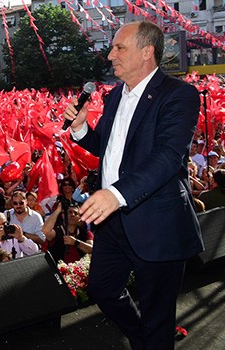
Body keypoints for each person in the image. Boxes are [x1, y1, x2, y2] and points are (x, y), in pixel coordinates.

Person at [63, 21, 203, 349]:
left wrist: (115, 193)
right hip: (114, 223)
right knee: (103, 289)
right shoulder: (113, 98)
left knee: (158, 314)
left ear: (146, 52)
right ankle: (148, 341)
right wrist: (82, 129)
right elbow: (112, 151)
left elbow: (168, 157)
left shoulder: (179, 95)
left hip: (158, 223)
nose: (110, 54)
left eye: (119, 48)